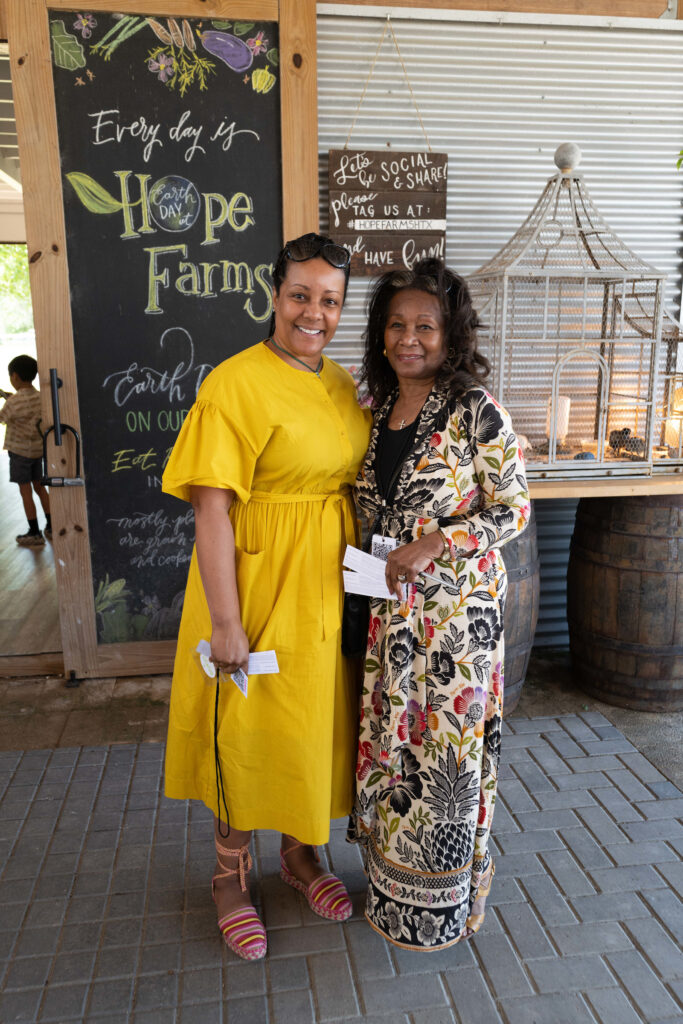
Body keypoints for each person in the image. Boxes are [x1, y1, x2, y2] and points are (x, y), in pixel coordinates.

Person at [161, 232, 372, 961]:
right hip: (254, 579)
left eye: (330, 300)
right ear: (273, 294)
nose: (313, 312)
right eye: (300, 295)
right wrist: (225, 620)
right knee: (246, 726)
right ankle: (228, 877)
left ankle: (300, 855)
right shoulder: (234, 382)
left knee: (313, 722)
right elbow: (210, 508)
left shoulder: (343, 384)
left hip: (326, 584)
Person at [348, 258, 530, 951]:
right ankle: (390, 888)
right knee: (397, 749)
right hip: (390, 617)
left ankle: (442, 903)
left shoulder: (474, 409)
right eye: (396, 324)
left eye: (425, 325)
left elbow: (511, 510)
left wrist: (437, 543)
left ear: (451, 333)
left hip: (454, 621)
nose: (409, 337)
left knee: (444, 755)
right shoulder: (376, 410)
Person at [0, 354, 51, 546]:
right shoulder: (40, 397)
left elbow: (2, 418)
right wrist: (8, 397)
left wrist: (7, 400)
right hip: (38, 452)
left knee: (25, 491)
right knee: (40, 487)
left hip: (20, 454)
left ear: (14, 376)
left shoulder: (13, 402)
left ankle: (34, 531)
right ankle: (53, 526)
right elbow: (26, 405)